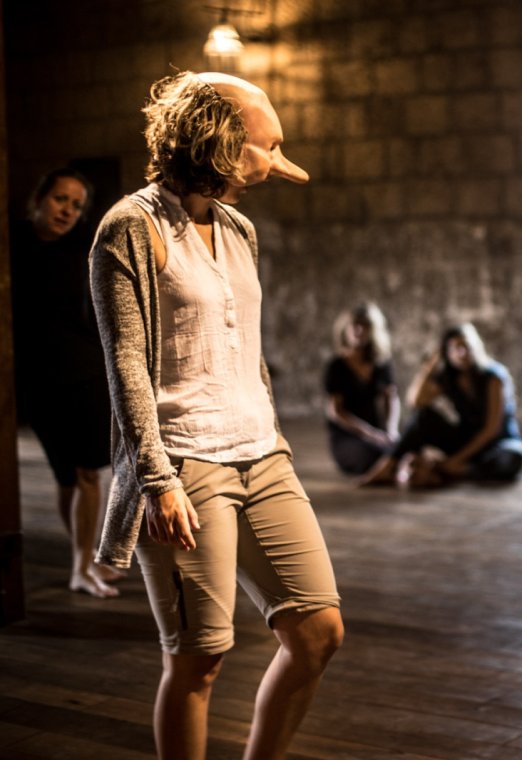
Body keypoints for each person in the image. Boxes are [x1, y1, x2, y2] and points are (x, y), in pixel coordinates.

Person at [89, 71, 342, 760]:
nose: (276, 164)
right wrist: (157, 479)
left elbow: (245, 349)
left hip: (260, 453)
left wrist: (277, 441)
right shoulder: (129, 228)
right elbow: (127, 367)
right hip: (184, 460)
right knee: (200, 659)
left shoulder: (239, 228)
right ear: (221, 141)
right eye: (267, 146)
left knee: (318, 630)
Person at [9, 167, 121, 598]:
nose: (68, 211)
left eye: (76, 206)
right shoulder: (12, 242)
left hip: (85, 374)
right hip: (37, 381)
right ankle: (85, 555)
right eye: (60, 199)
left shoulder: (82, 249)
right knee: (66, 477)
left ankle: (81, 566)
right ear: (39, 197)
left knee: (88, 472)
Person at [360, 323, 522, 487]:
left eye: (466, 346)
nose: (462, 353)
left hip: (498, 444)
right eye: (456, 348)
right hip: (467, 440)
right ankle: (388, 465)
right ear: (447, 354)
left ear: (476, 348)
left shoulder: (493, 377)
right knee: (423, 418)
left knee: (513, 458)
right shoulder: (449, 379)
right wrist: (430, 366)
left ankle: (459, 470)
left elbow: (490, 430)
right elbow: (415, 401)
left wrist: (455, 460)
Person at [323, 302, 400, 476]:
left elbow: (391, 398)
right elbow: (336, 412)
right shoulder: (337, 366)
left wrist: (391, 430)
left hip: (377, 433)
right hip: (349, 437)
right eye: (354, 325)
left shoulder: (381, 363)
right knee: (375, 454)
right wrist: (370, 434)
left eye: (365, 326)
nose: (359, 330)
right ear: (345, 329)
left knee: (402, 447)